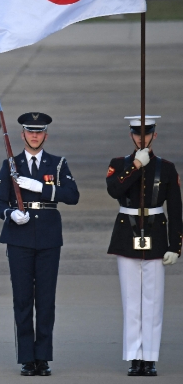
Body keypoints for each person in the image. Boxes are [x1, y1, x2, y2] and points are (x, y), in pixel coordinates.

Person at [0, 112, 79, 376]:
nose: (34, 135)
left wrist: (42, 188)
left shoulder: (57, 163)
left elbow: (72, 195)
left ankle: (43, 357)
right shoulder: (11, 164)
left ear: (45, 135)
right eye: (30, 132)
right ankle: (26, 358)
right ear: (22, 135)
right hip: (19, 237)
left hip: (48, 238)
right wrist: (10, 214)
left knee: (45, 300)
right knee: (22, 299)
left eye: (39, 132)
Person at [106, 116, 181, 377]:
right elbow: (115, 190)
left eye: (146, 134)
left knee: (153, 301)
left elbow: (176, 210)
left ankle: (149, 357)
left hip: (157, 235)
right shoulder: (119, 164)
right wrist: (137, 165)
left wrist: (176, 245)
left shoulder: (167, 168)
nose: (142, 138)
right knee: (131, 301)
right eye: (137, 134)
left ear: (154, 135)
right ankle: (133, 357)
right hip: (127, 233)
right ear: (131, 135)